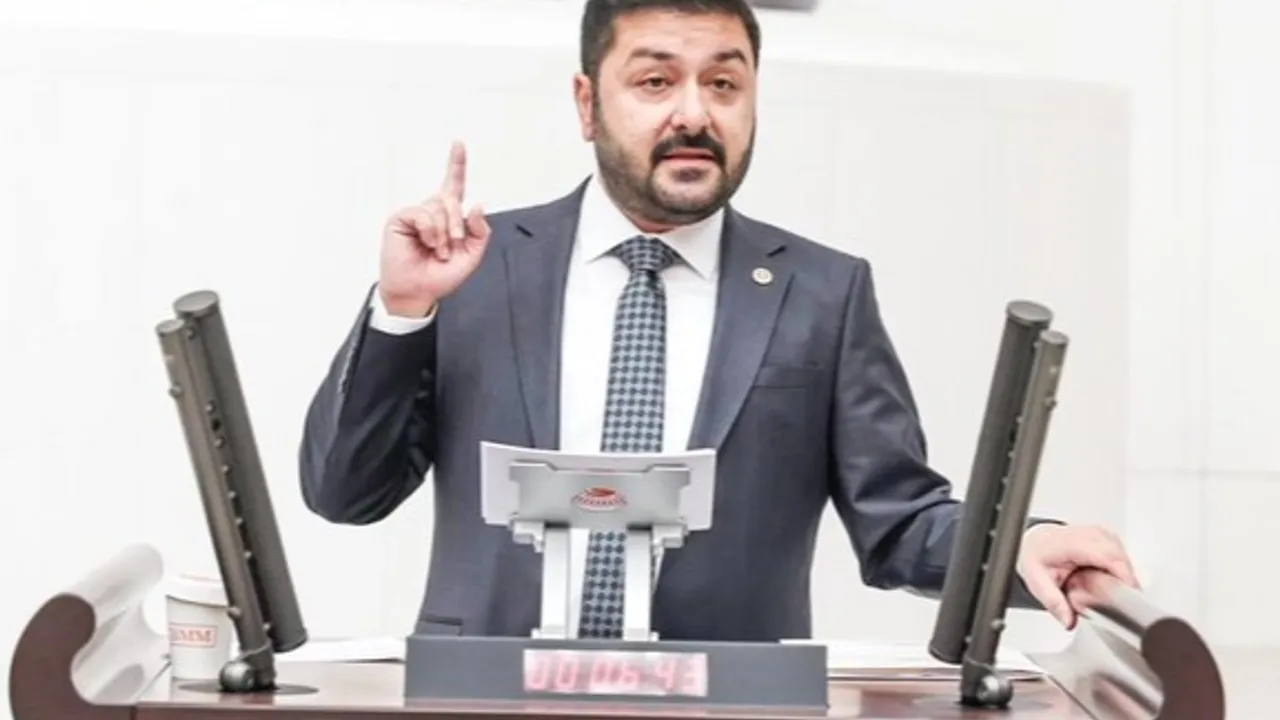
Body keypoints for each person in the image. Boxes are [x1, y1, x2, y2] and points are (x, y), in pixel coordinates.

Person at [299, 0, 1138, 641]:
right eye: (656, 82)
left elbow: (900, 523)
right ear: (588, 104)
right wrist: (402, 311)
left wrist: (1021, 544)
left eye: (725, 84)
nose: (695, 115)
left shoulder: (824, 292)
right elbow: (345, 493)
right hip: (485, 696)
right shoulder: (476, 268)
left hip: (733, 700)